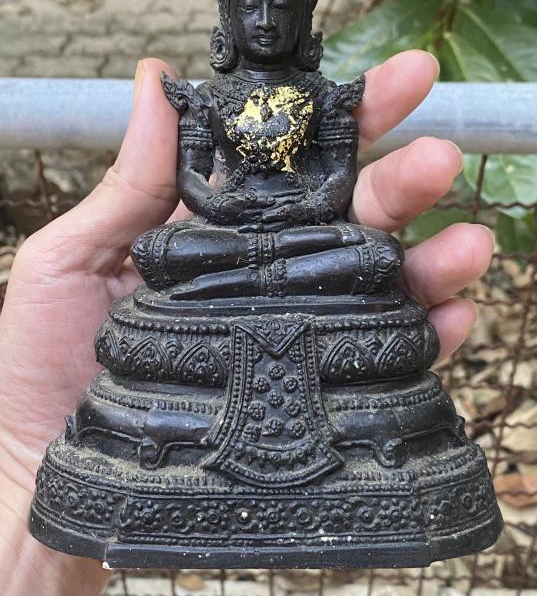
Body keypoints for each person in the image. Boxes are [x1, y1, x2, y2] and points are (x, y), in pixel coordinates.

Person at [0, 51, 494, 596]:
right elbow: (192, 179)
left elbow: (339, 180)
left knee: (376, 255)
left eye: (280, 9)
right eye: (250, 8)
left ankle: (231, 281)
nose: (264, 19)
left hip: (307, 229)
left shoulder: (325, 98)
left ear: (303, 21)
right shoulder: (208, 98)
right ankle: (248, 274)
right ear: (227, 23)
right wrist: (224, 210)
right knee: (158, 251)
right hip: (224, 230)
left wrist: (302, 212)